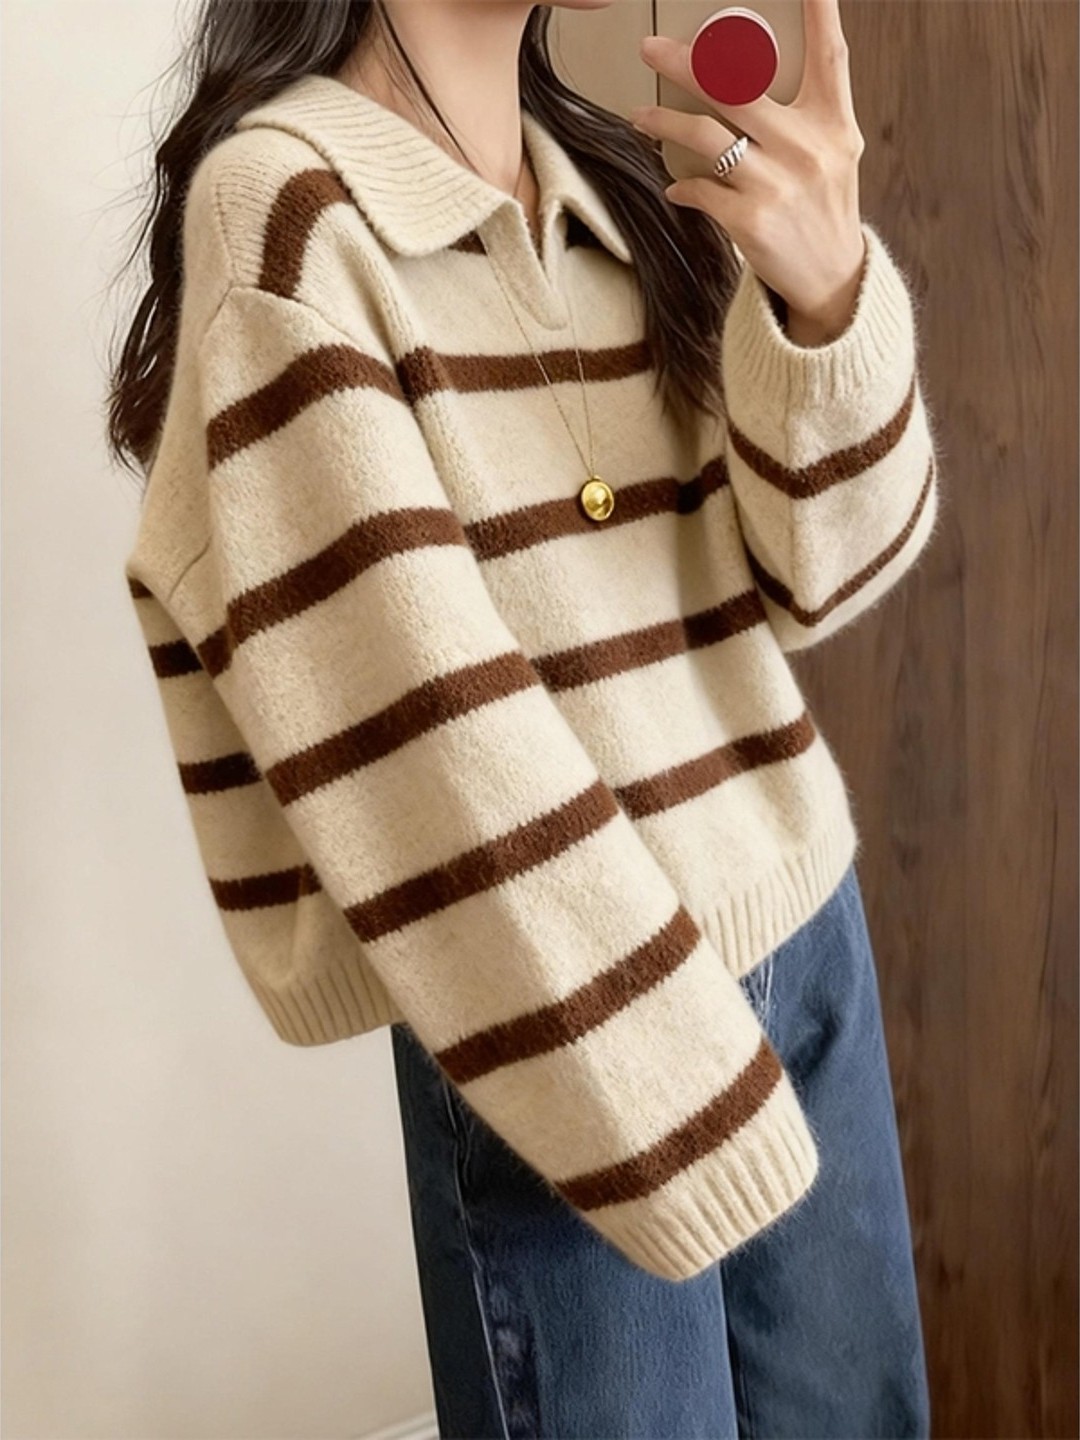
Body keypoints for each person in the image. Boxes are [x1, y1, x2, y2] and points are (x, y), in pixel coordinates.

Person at [108, 1, 940, 1435]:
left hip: (801, 938)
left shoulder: (605, 188)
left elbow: (825, 575)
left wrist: (827, 296)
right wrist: (677, 1091)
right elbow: (433, 744)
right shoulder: (292, 215)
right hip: (561, 1023)